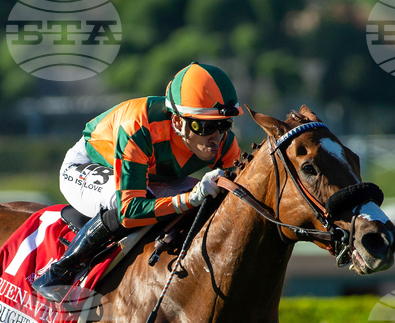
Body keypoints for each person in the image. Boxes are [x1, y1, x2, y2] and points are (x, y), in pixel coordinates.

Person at [32, 62, 242, 302]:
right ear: (178, 122)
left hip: (151, 176)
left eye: (224, 124)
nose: (216, 137)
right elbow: (130, 211)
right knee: (148, 205)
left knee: (211, 198)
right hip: (89, 165)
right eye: (205, 126)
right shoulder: (138, 127)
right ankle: (58, 272)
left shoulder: (224, 143)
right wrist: (191, 198)